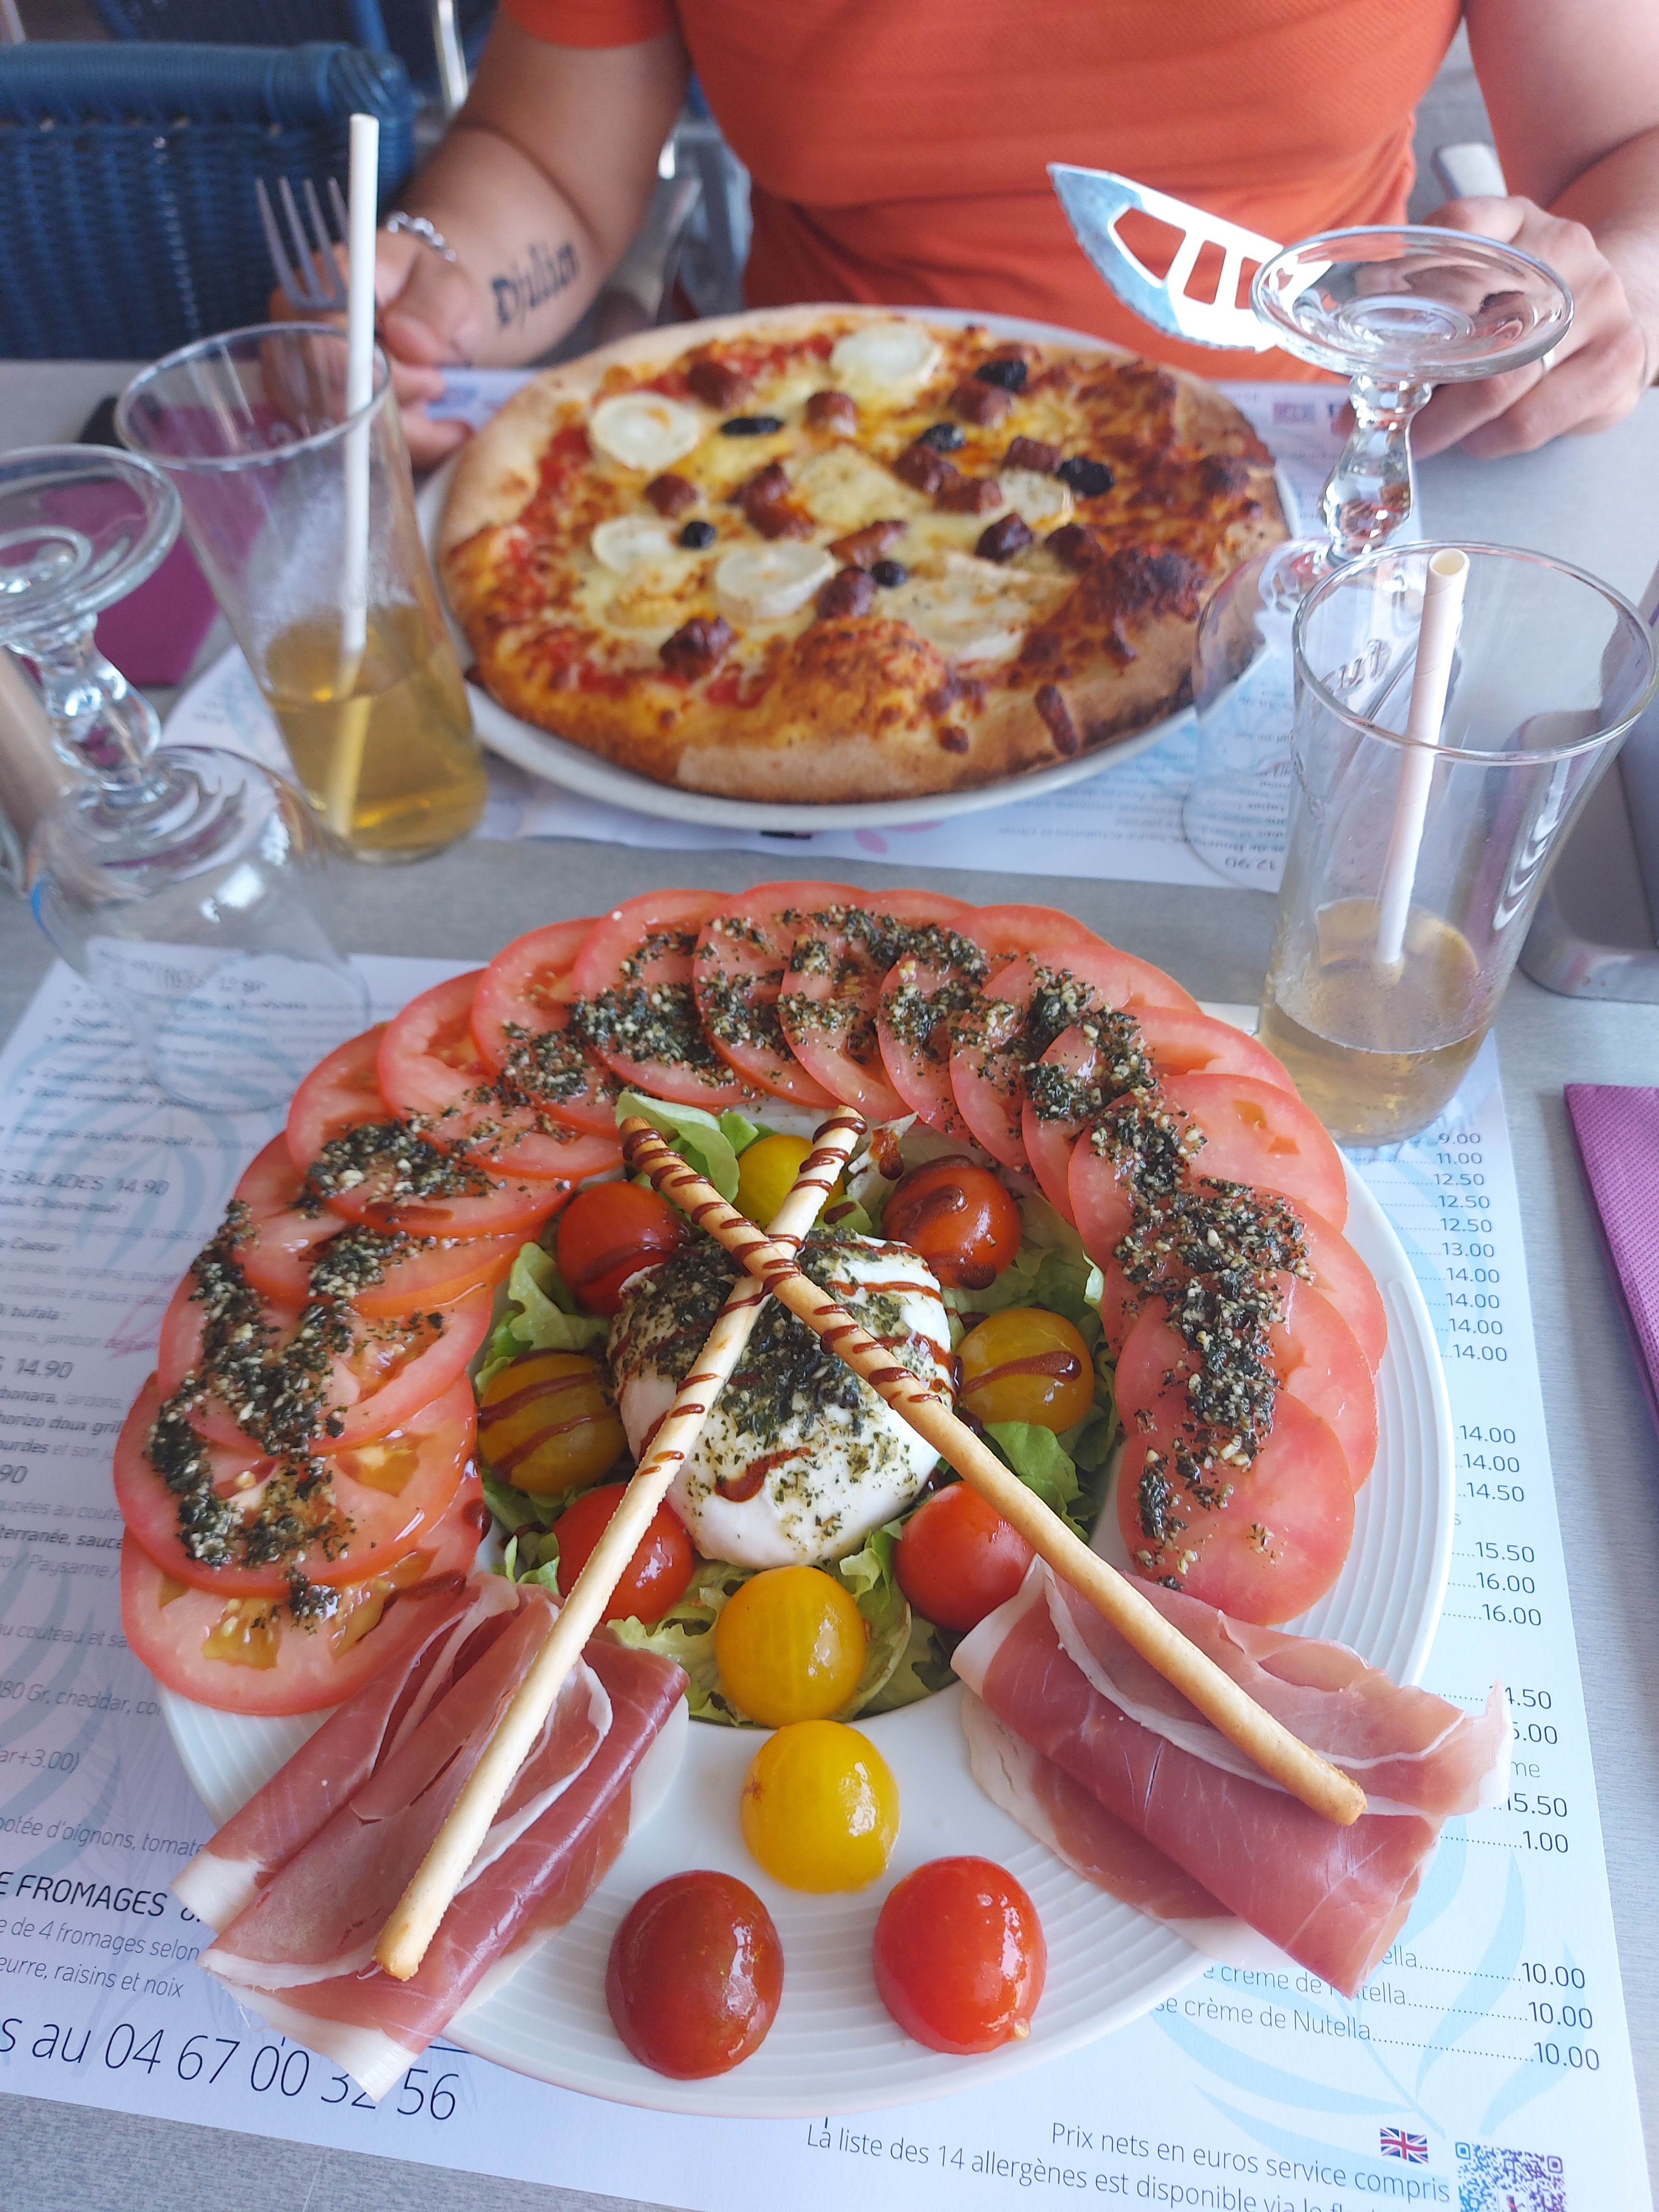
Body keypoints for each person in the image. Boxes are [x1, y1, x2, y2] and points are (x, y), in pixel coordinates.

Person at [350, 0, 1659, 467]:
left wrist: (1614, 289)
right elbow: (549, 169)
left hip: (1313, 482)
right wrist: (436, 278)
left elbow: (1629, 155)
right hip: (801, 482)